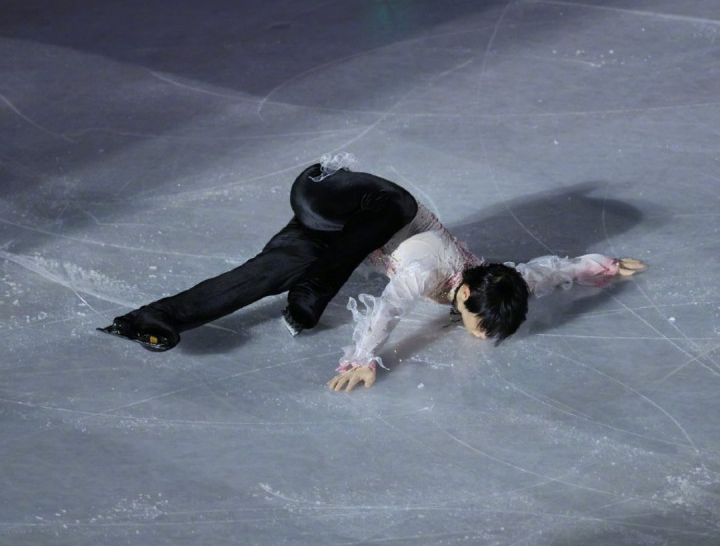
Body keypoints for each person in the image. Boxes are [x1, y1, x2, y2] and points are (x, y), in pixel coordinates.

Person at [98, 154, 646, 392]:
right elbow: (385, 310)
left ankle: (154, 318)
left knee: (266, 273)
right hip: (357, 201)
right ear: (462, 297)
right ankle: (313, 287)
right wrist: (362, 360)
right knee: (353, 234)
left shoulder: (493, 280)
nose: (480, 336)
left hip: (339, 232)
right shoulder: (426, 274)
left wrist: (598, 267)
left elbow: (539, 274)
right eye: (480, 326)